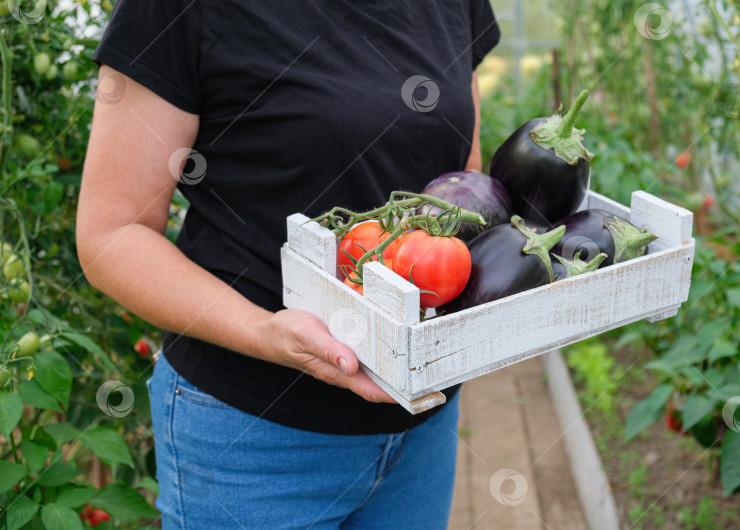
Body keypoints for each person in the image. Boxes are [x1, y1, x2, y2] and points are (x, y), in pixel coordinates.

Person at [77, 1, 500, 528]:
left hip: (422, 428)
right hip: (252, 441)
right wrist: (265, 331)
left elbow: (462, 177)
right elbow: (113, 234)